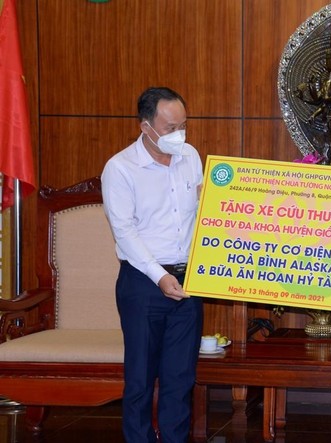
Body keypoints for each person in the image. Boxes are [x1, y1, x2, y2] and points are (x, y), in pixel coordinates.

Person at [101, 87, 204, 443]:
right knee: (141, 380)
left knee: (181, 378)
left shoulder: (190, 156)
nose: (179, 134)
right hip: (144, 282)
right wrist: (160, 276)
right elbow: (125, 232)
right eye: (170, 128)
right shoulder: (120, 168)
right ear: (146, 127)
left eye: (183, 125)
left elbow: (203, 212)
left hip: (188, 281)